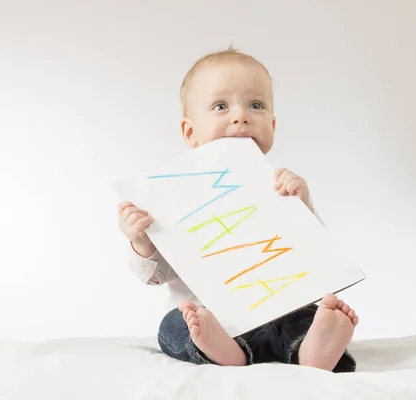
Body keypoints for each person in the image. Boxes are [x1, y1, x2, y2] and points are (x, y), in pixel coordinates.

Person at [117, 47, 359, 371]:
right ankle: (227, 352)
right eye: (221, 106)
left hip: (279, 308)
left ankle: (310, 352)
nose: (241, 115)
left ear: (272, 125)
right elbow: (156, 277)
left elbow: (313, 250)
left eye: (256, 105)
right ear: (190, 131)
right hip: (213, 318)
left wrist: (303, 204)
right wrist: (143, 243)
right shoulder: (172, 197)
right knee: (173, 328)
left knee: (306, 316)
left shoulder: (278, 184)